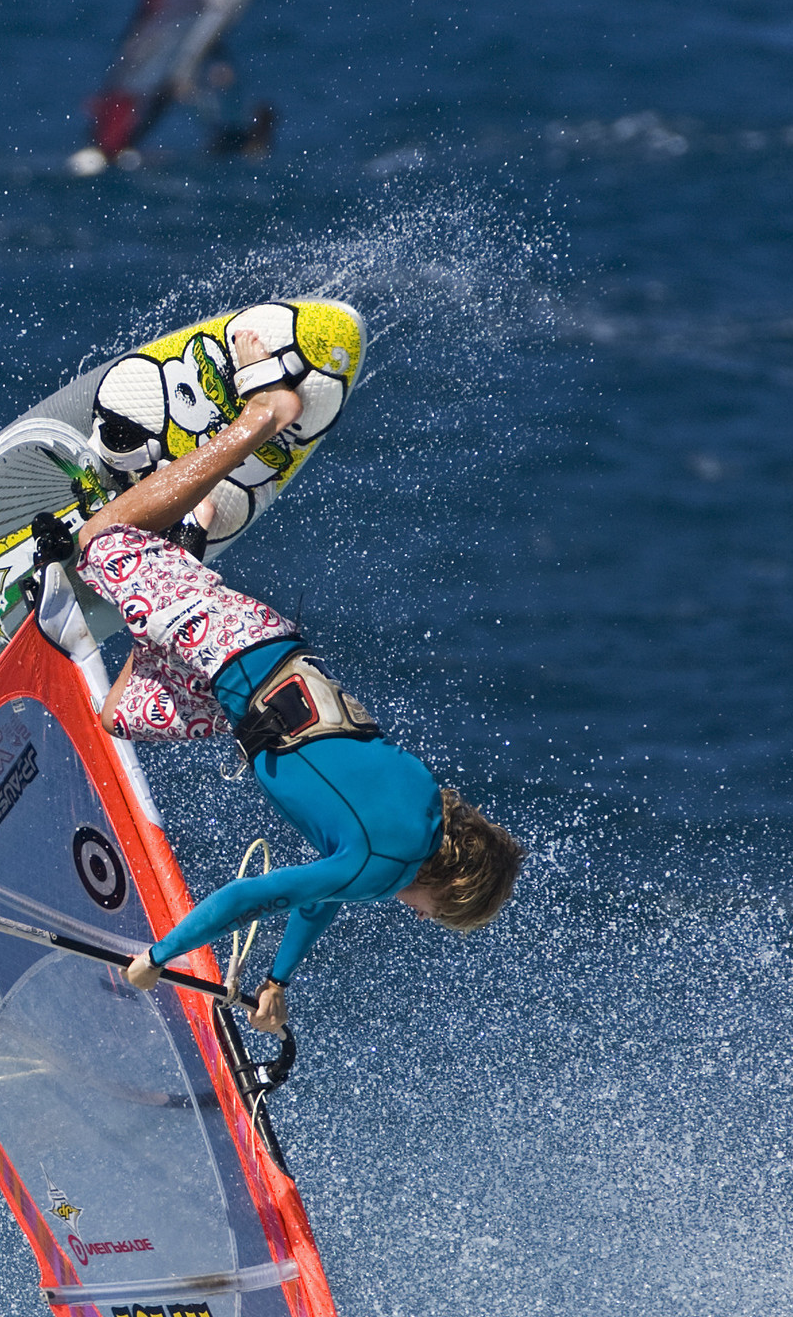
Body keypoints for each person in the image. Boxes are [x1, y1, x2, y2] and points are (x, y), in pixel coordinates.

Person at [50, 327, 525, 1036]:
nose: (423, 919)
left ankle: (188, 545)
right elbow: (249, 896)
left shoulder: (415, 820)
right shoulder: (385, 866)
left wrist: (277, 982)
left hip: (247, 686)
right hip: (235, 651)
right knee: (98, 544)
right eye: (440, 917)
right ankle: (263, 415)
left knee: (124, 713)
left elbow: (320, 898)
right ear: (448, 890)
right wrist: (158, 955)